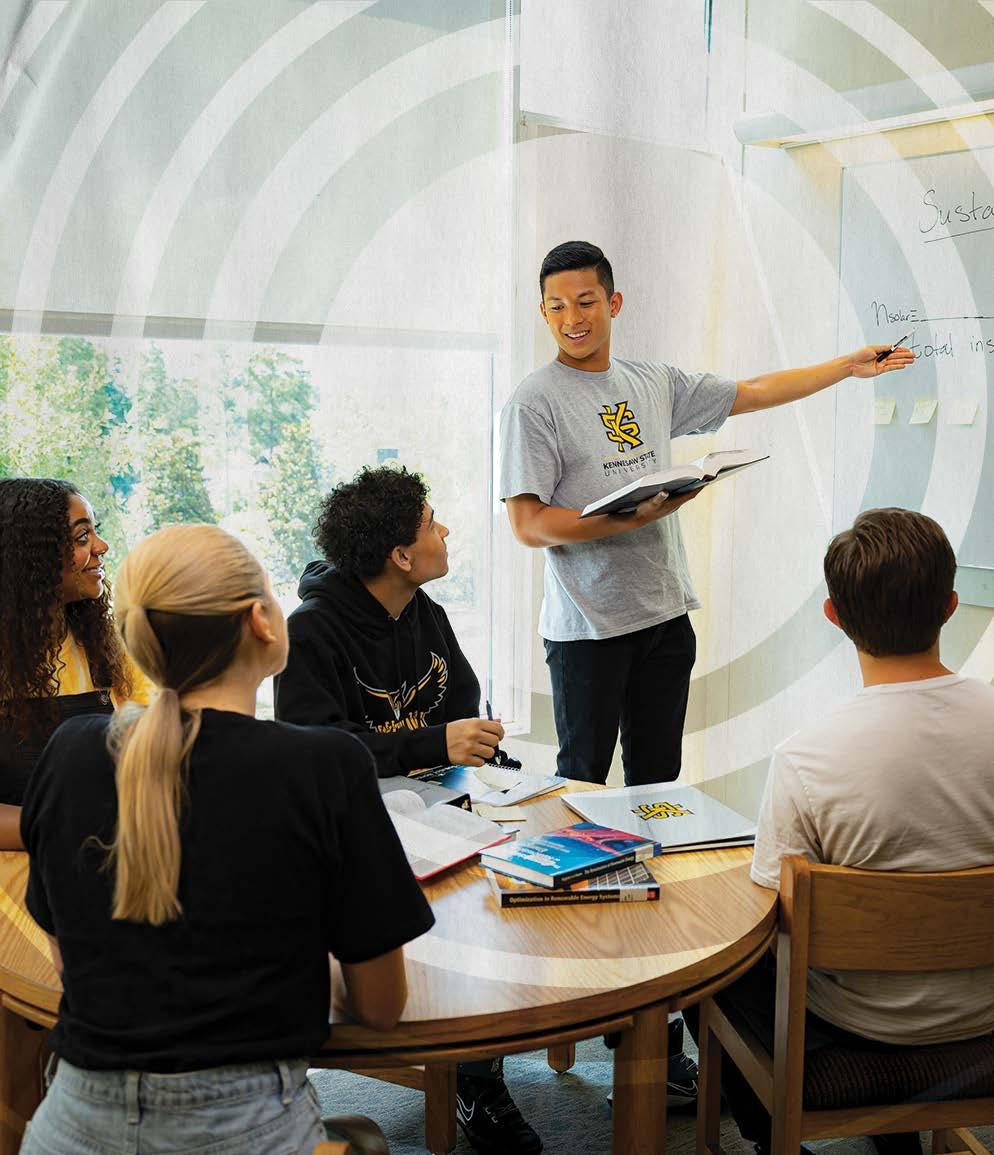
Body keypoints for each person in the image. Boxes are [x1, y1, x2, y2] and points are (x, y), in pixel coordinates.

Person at [19, 524, 434, 1155]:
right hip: (248, 1128)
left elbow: (73, 964)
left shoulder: (69, 751)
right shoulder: (324, 764)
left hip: (69, 1124)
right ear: (260, 621)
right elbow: (380, 1008)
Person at [499, 240, 915, 788]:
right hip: (588, 630)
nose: (572, 319)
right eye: (557, 307)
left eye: (585, 302)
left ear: (614, 303)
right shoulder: (533, 402)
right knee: (583, 784)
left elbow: (752, 391)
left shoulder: (652, 382)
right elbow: (529, 525)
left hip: (665, 617)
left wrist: (846, 367)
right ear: (543, 311)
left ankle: (650, 854)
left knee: (657, 786)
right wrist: (627, 520)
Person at [698, 507, 994, 1155]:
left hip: (860, 1027)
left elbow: (771, 915)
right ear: (950, 606)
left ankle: (772, 1137)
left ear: (833, 616)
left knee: (710, 962)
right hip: (985, 1012)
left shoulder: (806, 759)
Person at [274, 465, 542, 1155]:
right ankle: (474, 1083)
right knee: (462, 914)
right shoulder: (311, 632)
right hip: (356, 824)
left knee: (504, 896)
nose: (445, 530)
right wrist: (430, 742)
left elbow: (460, 704)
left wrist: (471, 742)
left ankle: (477, 1069)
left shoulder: (426, 612)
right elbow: (315, 752)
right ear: (400, 554)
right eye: (430, 522)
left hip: (438, 803)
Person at [0, 477, 150, 849]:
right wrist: (76, 827)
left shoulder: (108, 652)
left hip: (103, 866)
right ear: (28, 557)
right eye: (82, 537)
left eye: (95, 532)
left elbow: (152, 756)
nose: (102, 546)